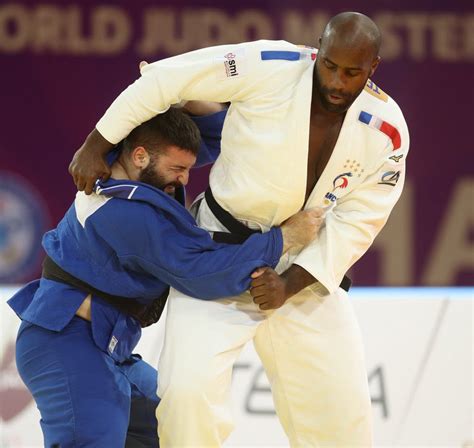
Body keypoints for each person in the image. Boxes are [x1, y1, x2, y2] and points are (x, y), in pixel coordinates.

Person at [69, 12, 410, 447]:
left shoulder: (387, 131)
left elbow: (359, 221)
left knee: (342, 417)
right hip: (216, 248)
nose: (338, 83)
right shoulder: (270, 65)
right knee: (186, 397)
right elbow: (164, 80)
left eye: (352, 73)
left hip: (302, 268)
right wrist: (95, 143)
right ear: (317, 49)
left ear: (373, 67)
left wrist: (288, 283)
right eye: (329, 66)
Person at [8, 107, 322, 448]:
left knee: (175, 429)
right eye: (179, 169)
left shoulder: (126, 160)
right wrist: (283, 240)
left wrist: (189, 96)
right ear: (140, 156)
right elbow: (202, 272)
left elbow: (220, 140)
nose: (185, 178)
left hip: (103, 346)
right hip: (66, 343)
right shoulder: (124, 213)